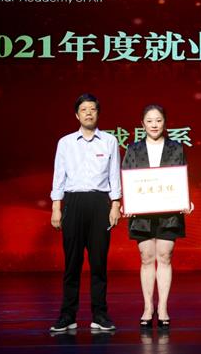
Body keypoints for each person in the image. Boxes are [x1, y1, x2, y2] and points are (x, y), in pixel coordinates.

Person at [49, 93, 122, 332]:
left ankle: (100, 315)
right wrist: (56, 207)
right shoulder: (65, 142)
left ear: (98, 113)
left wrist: (115, 204)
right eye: (84, 109)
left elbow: (114, 174)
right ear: (77, 115)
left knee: (99, 263)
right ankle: (67, 315)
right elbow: (59, 175)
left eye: (92, 109)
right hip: (73, 202)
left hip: (100, 203)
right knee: (72, 263)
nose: (88, 113)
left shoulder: (109, 141)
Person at [121, 104, 193, 330]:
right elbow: (126, 176)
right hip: (141, 212)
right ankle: (147, 307)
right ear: (142, 124)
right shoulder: (133, 148)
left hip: (168, 211)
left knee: (165, 256)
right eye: (150, 121)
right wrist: (127, 202)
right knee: (146, 258)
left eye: (159, 120)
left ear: (165, 123)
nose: (154, 125)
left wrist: (185, 199)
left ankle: (162, 307)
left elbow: (181, 176)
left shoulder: (176, 148)